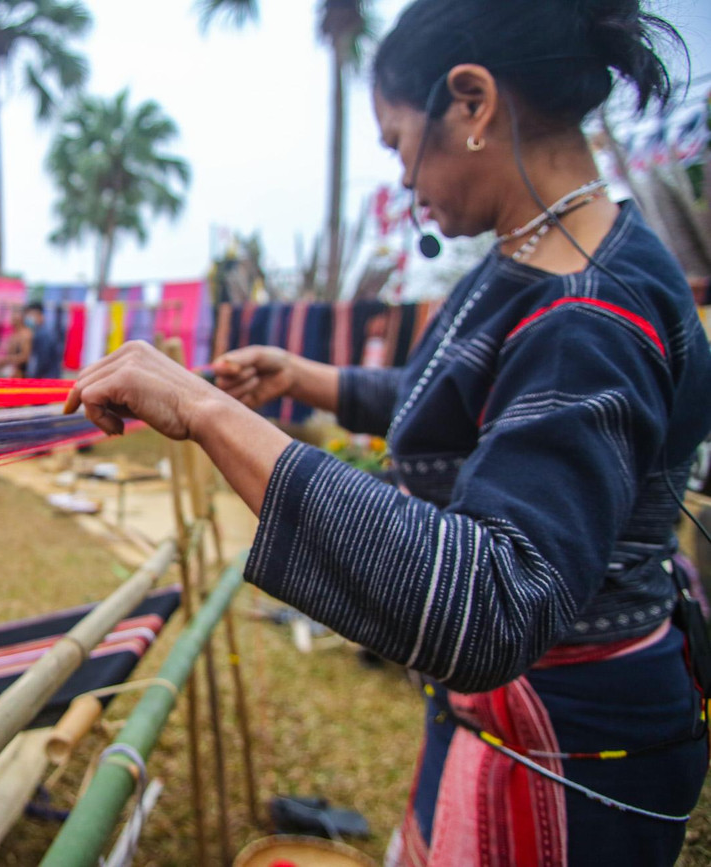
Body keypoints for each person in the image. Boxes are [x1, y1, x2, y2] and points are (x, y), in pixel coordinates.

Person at [64, 3, 711, 863]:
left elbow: (492, 600)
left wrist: (211, 414)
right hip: (526, 723)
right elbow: (481, 403)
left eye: (400, 141)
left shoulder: (588, 314)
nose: (406, 180)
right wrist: (310, 380)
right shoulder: (555, 258)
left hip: (571, 748)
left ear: (472, 104)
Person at [24, 301, 61, 379]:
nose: (29, 318)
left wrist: (34, 376)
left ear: (41, 316)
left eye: (32, 315)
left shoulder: (43, 334)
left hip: (46, 377)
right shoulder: (40, 331)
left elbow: (43, 360)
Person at [0, 307, 31, 378]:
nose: (12, 319)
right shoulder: (13, 334)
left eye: (14, 317)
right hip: (11, 372)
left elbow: (25, 357)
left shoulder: (25, 334)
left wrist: (7, 360)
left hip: (21, 375)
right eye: (12, 316)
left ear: (20, 319)